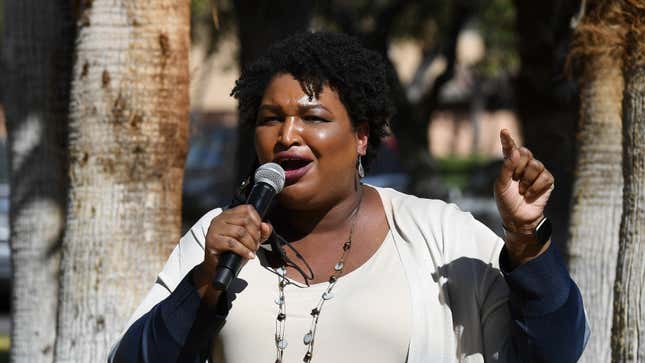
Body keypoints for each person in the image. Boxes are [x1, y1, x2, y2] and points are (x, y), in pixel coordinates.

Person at [109, 32, 588, 363]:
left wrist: (528, 241)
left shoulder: (439, 236)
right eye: (270, 118)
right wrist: (204, 285)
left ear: (361, 136)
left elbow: (556, 350)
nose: (287, 135)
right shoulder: (218, 239)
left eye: (313, 117)